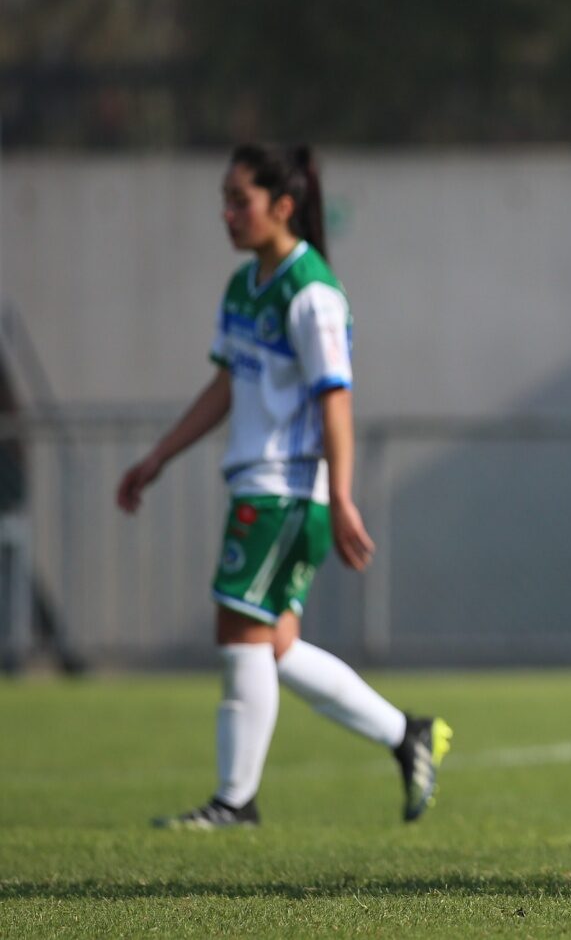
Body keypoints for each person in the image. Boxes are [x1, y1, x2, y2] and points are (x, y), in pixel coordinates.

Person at [119, 145, 450, 830]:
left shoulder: (312, 293)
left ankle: (235, 800)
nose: (227, 213)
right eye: (225, 199)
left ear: (283, 205)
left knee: (238, 629)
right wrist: (159, 457)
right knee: (275, 646)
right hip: (263, 486)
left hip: (285, 493)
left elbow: (336, 400)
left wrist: (343, 496)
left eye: (240, 200)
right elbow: (225, 385)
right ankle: (406, 733)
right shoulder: (245, 286)